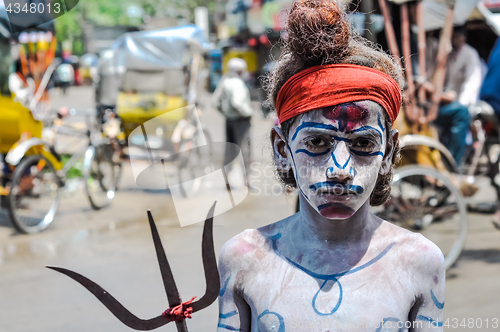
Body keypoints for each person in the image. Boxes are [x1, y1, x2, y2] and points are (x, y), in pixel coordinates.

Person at [216, 1, 445, 331]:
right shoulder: (244, 259)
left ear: (389, 150)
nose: (340, 168)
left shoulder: (420, 262)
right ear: (283, 148)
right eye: (317, 143)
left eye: (363, 144)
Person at [430, 26, 482, 165]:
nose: (454, 39)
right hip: (441, 102)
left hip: (458, 103)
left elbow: (472, 84)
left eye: (457, 36)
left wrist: (458, 103)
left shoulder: (469, 55)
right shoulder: (444, 52)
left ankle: (453, 163)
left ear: (463, 38)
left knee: (462, 113)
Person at [213, 57, 253, 181]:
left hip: (229, 120)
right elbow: (237, 102)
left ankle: (226, 178)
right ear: (240, 71)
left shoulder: (224, 82)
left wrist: (225, 112)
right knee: (244, 150)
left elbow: (215, 102)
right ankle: (247, 181)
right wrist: (248, 113)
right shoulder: (238, 84)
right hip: (241, 120)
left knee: (229, 150)